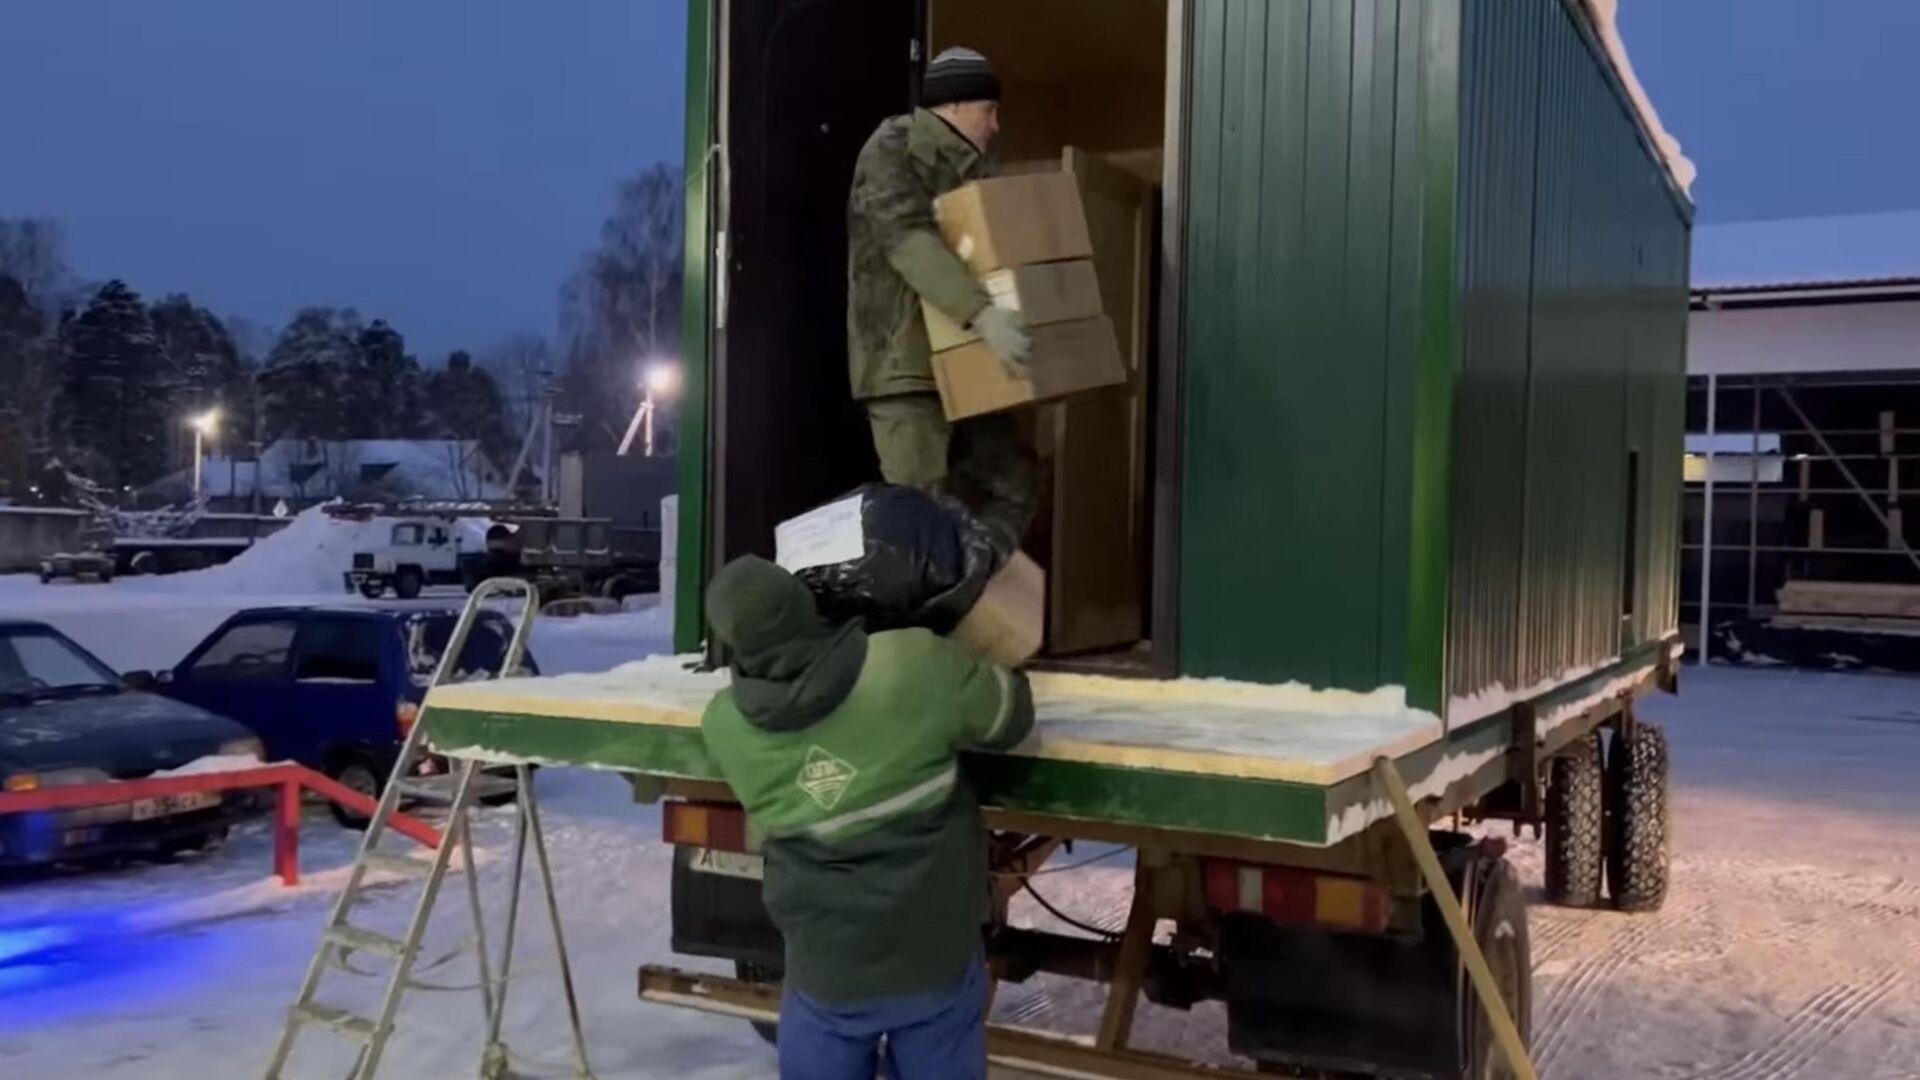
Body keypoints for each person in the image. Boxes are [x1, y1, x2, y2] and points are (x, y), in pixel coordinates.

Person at [699, 555, 1036, 1080]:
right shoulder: (910, 663)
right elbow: (1010, 717)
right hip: (937, 958)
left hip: (827, 974)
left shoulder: (725, 726)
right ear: (806, 602)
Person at [846, 46, 1037, 551]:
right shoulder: (892, 150)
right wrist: (983, 314)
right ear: (952, 106)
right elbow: (906, 239)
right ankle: (922, 623)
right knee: (919, 516)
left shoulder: (977, 172)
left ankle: (977, 595)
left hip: (972, 366)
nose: (995, 125)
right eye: (988, 110)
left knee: (1015, 480)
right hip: (904, 365)